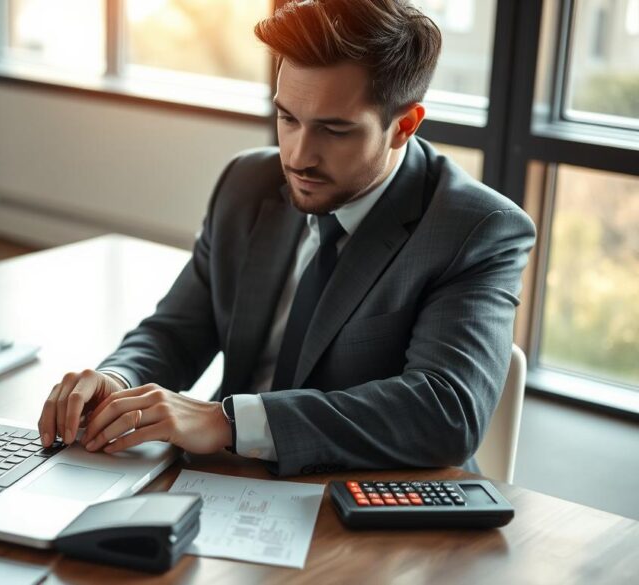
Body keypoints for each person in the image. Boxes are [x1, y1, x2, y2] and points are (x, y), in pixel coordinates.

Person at [37, 0, 536, 476]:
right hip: (225, 483)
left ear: (403, 125)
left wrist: (227, 422)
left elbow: (444, 412)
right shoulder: (246, 185)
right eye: (287, 118)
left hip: (368, 512)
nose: (297, 156)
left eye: (334, 130)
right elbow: (176, 331)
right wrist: (117, 382)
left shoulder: (476, 229)